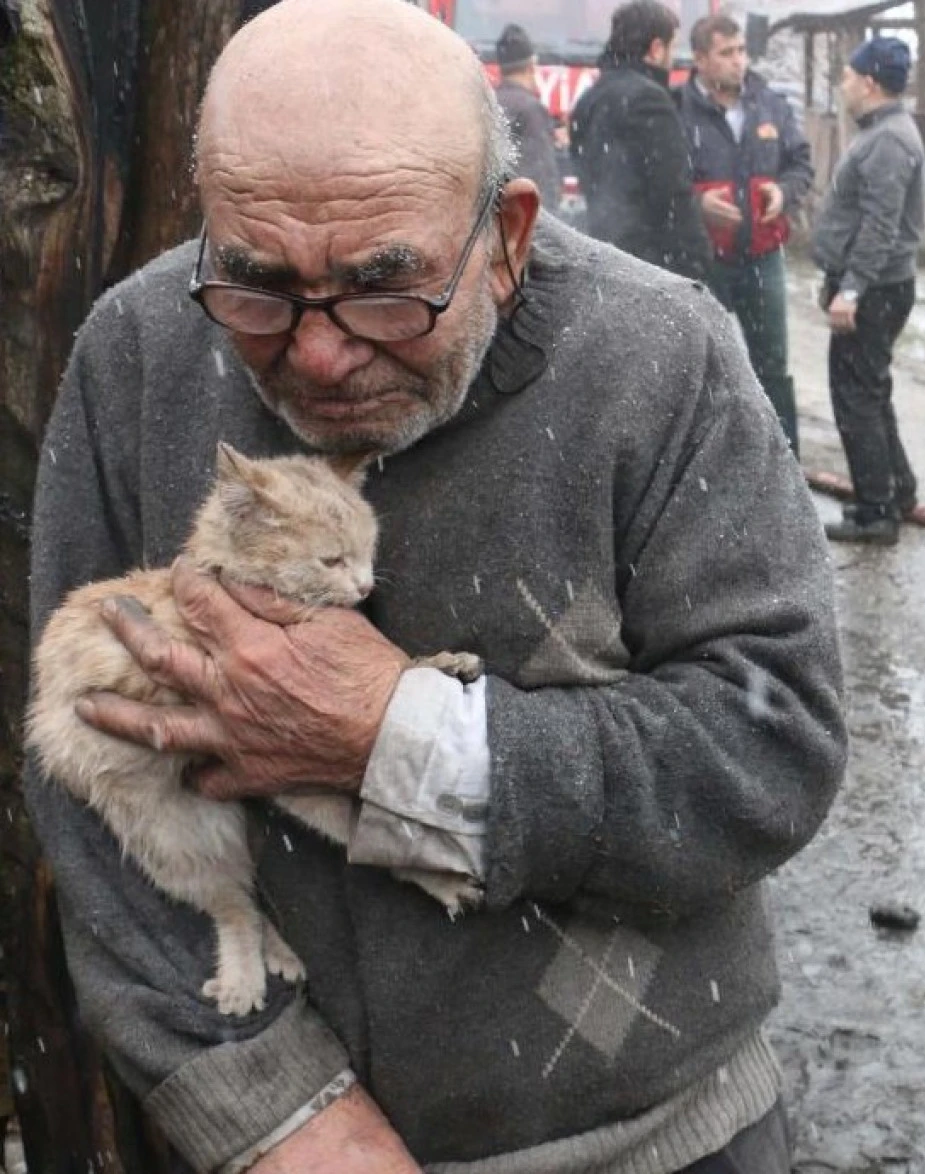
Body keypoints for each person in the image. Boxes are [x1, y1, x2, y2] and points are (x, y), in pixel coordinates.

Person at [24, 2, 847, 1172]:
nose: (317, 352)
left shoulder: (663, 360)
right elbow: (79, 776)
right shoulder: (138, 354)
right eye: (257, 285)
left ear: (507, 234)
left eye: (383, 286)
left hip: (658, 1139)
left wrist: (401, 739)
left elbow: (774, 751)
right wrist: (267, 1108)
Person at [677, 14, 814, 454]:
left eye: (741, 51)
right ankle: (711, 461)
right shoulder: (677, 109)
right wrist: (697, 205)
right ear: (700, 59)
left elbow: (801, 164)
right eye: (726, 53)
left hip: (762, 257)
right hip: (705, 261)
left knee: (773, 366)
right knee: (702, 366)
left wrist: (785, 190)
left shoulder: (769, 104)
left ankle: (785, 462)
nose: (739, 62)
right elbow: (661, 184)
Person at [811, 37, 925, 545]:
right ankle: (896, 489)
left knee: (856, 396)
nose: (842, 84)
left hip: (875, 288)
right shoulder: (885, 133)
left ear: (870, 83)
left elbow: (881, 225)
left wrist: (852, 289)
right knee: (871, 390)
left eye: (847, 76)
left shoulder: (888, 141)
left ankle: (877, 511)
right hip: (878, 284)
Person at [569, 0, 711, 279]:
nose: (673, 60)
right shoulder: (651, 100)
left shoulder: (589, 99)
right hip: (651, 263)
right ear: (656, 49)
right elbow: (672, 192)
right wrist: (696, 260)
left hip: (603, 255)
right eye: (672, 48)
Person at [493, 23, 563, 215]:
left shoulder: (489, 101)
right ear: (531, 67)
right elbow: (542, 175)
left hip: (496, 213)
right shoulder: (532, 109)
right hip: (524, 216)